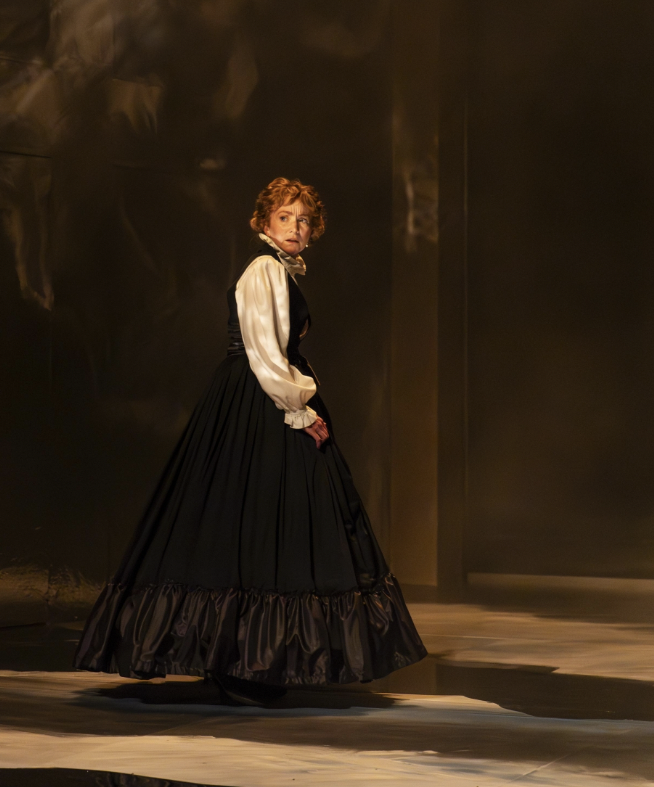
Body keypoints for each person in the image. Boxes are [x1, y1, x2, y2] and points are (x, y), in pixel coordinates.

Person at [74, 177, 426, 703]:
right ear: (263, 223)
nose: (296, 227)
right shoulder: (263, 269)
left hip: (257, 398)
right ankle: (244, 664)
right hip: (260, 400)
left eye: (304, 220)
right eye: (285, 217)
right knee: (262, 520)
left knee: (254, 524)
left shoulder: (280, 270)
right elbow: (264, 350)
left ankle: (244, 659)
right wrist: (298, 409)